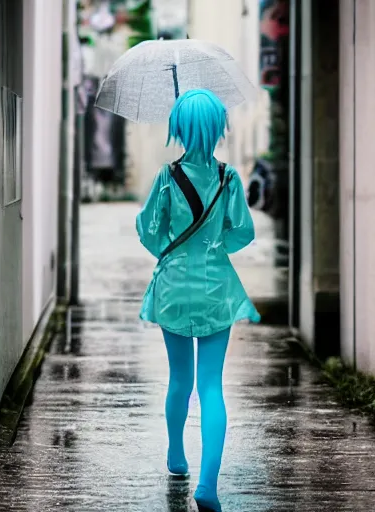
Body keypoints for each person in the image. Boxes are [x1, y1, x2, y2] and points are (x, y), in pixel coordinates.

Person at [136, 89, 260, 512]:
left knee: (179, 380)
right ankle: (208, 485)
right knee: (211, 387)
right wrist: (213, 246)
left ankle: (175, 455)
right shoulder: (229, 178)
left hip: (173, 289)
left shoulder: (166, 177)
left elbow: (148, 229)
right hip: (216, 289)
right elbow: (244, 231)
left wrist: (172, 253)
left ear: (180, 129)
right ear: (217, 128)